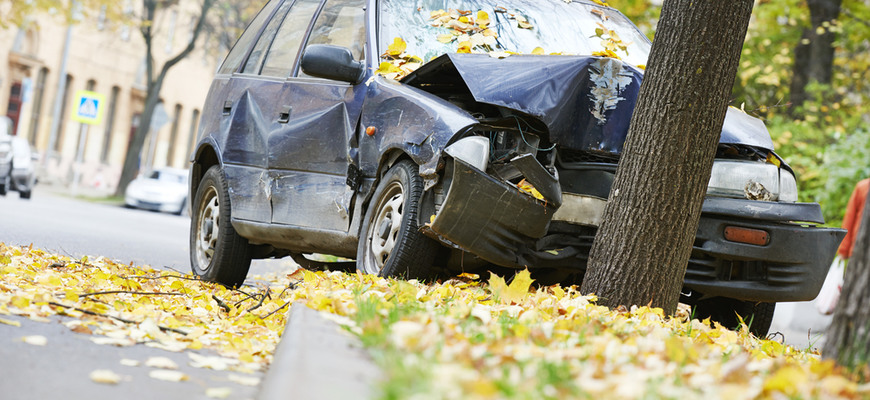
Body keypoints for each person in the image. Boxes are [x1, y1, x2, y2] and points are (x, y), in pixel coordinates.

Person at [838, 178, 870, 260]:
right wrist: (844, 249)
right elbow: (850, 217)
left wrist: (843, 250)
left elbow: (850, 218)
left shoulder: (863, 186)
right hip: (861, 248)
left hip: (860, 248)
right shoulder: (863, 187)